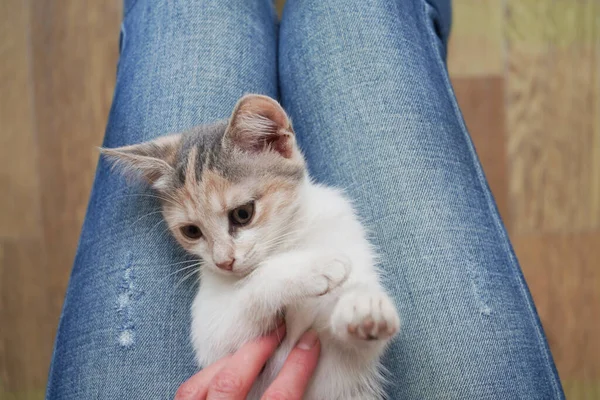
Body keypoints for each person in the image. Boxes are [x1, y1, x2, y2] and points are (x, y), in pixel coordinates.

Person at [45, 0, 565, 399]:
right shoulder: (229, 261)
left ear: (277, 144)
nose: (224, 257)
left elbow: (330, 337)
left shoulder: (330, 214)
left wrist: (350, 318)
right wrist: (324, 303)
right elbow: (226, 338)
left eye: (242, 214)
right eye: (192, 232)